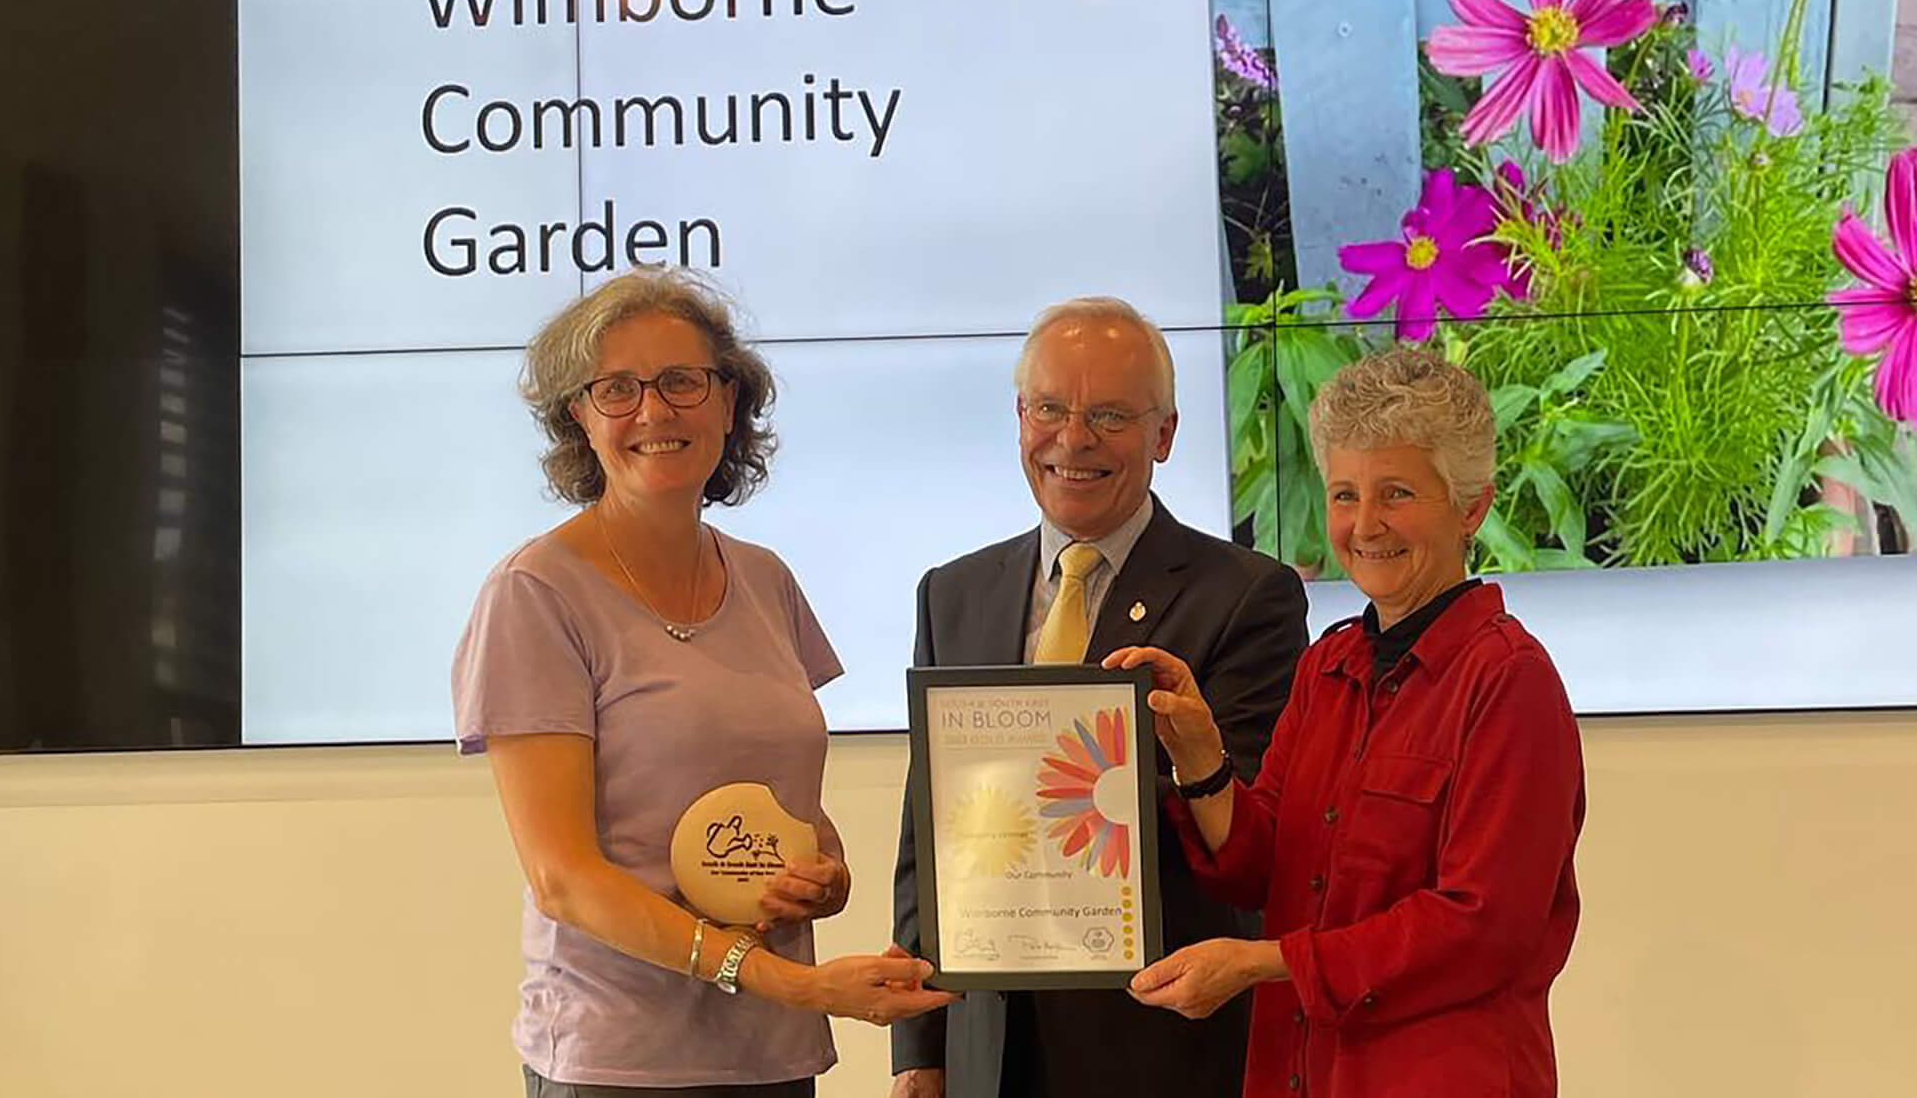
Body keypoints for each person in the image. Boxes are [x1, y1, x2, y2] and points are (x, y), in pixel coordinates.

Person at [454, 267, 950, 1097]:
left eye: (683, 381)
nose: (655, 412)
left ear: (729, 403)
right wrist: (794, 984)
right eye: (617, 388)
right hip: (620, 1062)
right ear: (578, 415)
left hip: (772, 1056)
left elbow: (791, 814)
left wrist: (823, 874)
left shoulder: (765, 581)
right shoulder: (533, 594)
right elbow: (564, 880)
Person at [1109, 347, 1586, 1097]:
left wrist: (1268, 964)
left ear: (1472, 507)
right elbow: (1265, 867)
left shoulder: (1510, 681)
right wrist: (1201, 756)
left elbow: (1482, 927)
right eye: (1343, 494)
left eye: (1396, 493)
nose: (1365, 525)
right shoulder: (1325, 668)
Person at [891, 296, 1310, 1098]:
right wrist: (921, 1048)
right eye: (1050, 408)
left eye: (1110, 415)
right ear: (1020, 417)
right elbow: (927, 829)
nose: (1073, 440)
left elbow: (1254, 832)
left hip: (1159, 1047)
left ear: (1165, 434)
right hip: (990, 1051)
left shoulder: (1248, 596)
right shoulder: (953, 593)